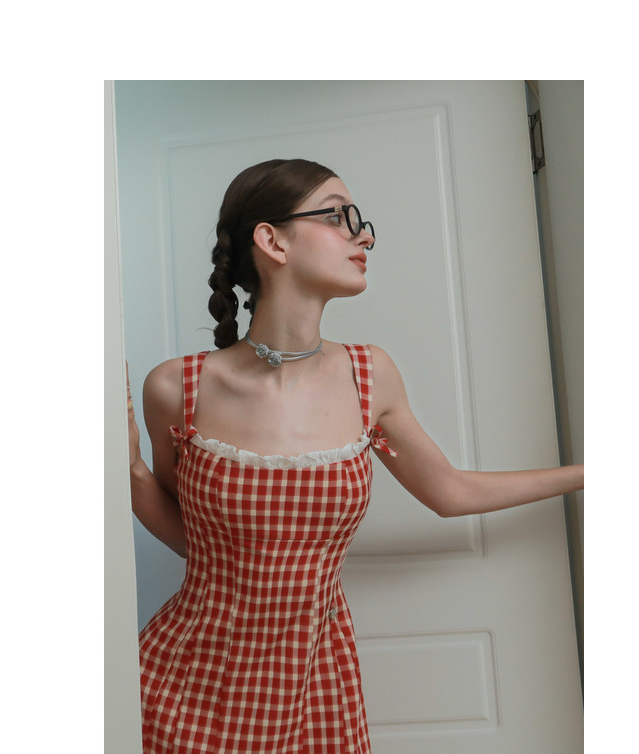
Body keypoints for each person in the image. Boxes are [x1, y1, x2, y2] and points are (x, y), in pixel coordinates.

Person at [127, 158, 584, 753]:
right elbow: (195, 538)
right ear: (272, 241)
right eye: (338, 217)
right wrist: (129, 469)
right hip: (182, 687)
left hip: (314, 692)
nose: (364, 236)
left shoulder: (370, 376)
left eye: (358, 221)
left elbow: (451, 493)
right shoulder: (176, 388)